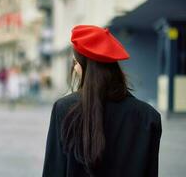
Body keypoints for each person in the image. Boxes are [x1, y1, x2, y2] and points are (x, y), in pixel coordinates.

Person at [42, 25, 162, 177]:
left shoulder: (64, 108)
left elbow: (53, 170)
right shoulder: (149, 117)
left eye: (75, 62)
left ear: (80, 67)